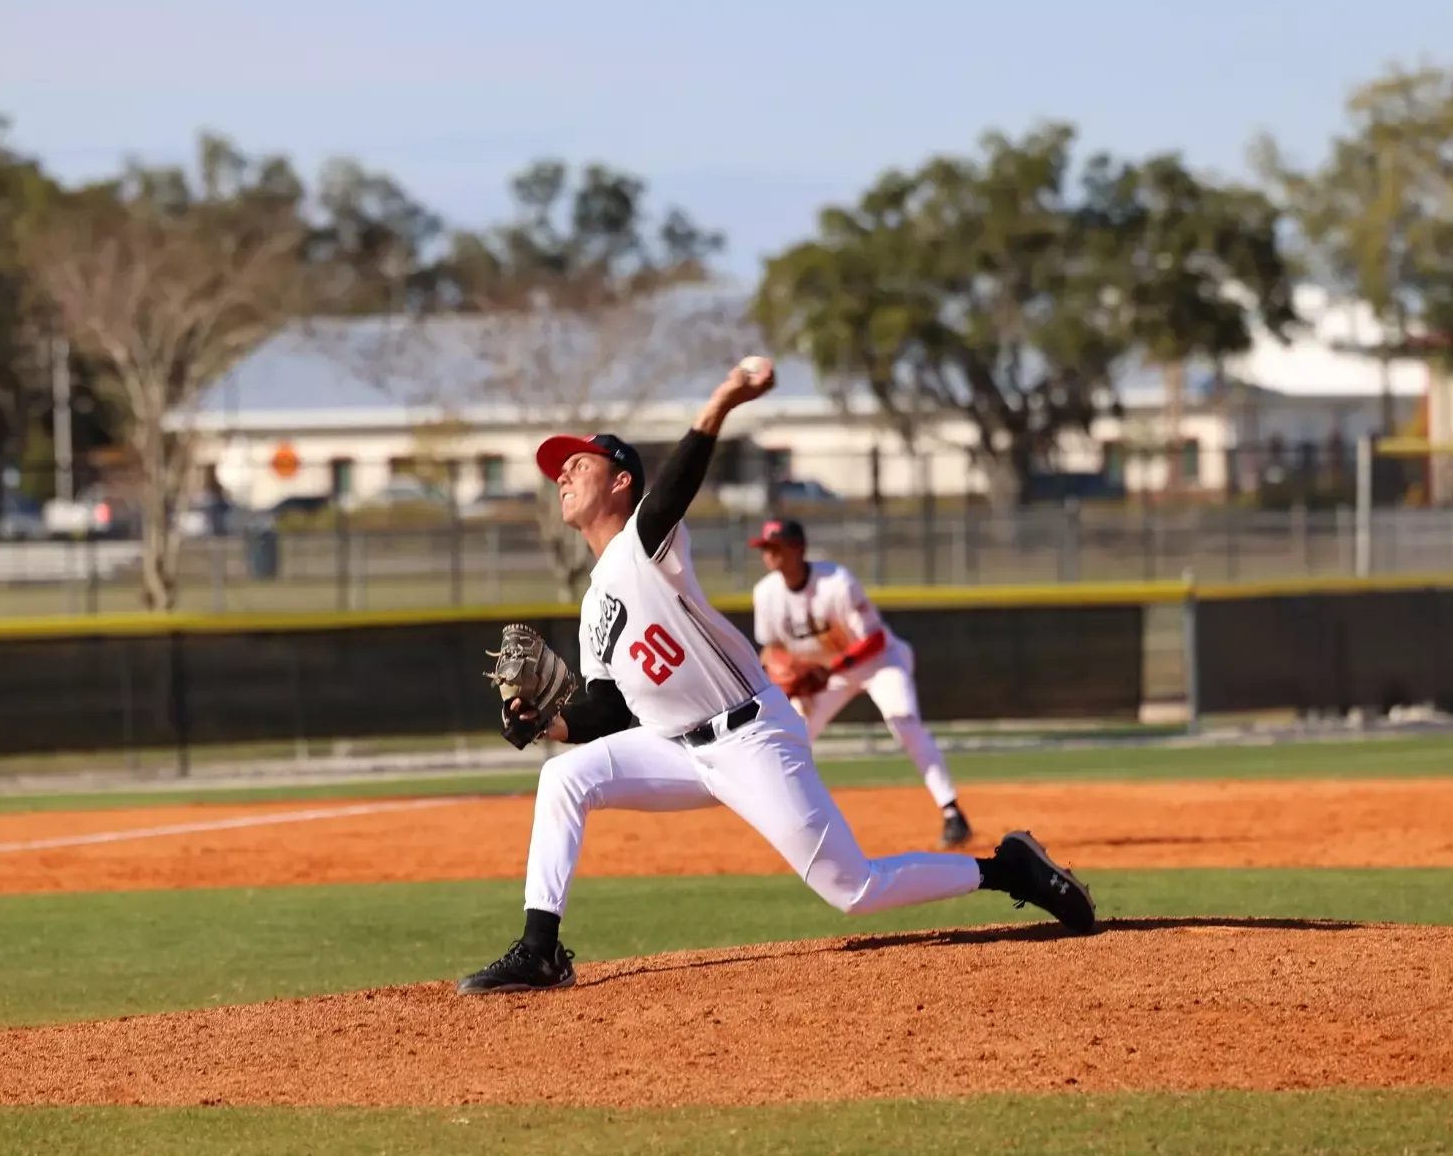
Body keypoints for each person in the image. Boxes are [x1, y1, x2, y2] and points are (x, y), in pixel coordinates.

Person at [456, 357, 1095, 995]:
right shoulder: (595, 603)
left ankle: (1006, 870)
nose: (562, 473)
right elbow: (611, 708)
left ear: (622, 482)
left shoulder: (647, 544)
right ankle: (541, 951)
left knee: (854, 889)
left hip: (750, 738)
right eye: (559, 469)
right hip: (676, 748)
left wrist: (724, 399)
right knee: (564, 776)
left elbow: (676, 486)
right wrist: (550, 723)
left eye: (578, 463)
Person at [748, 517, 973, 848]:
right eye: (765, 547)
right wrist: (789, 679)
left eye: (776, 546)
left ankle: (953, 813)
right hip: (823, 674)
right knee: (791, 733)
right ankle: (789, 821)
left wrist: (829, 670)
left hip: (878, 664)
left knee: (904, 723)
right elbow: (772, 650)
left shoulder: (837, 582)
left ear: (799, 548)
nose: (769, 553)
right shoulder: (765, 594)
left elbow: (875, 640)